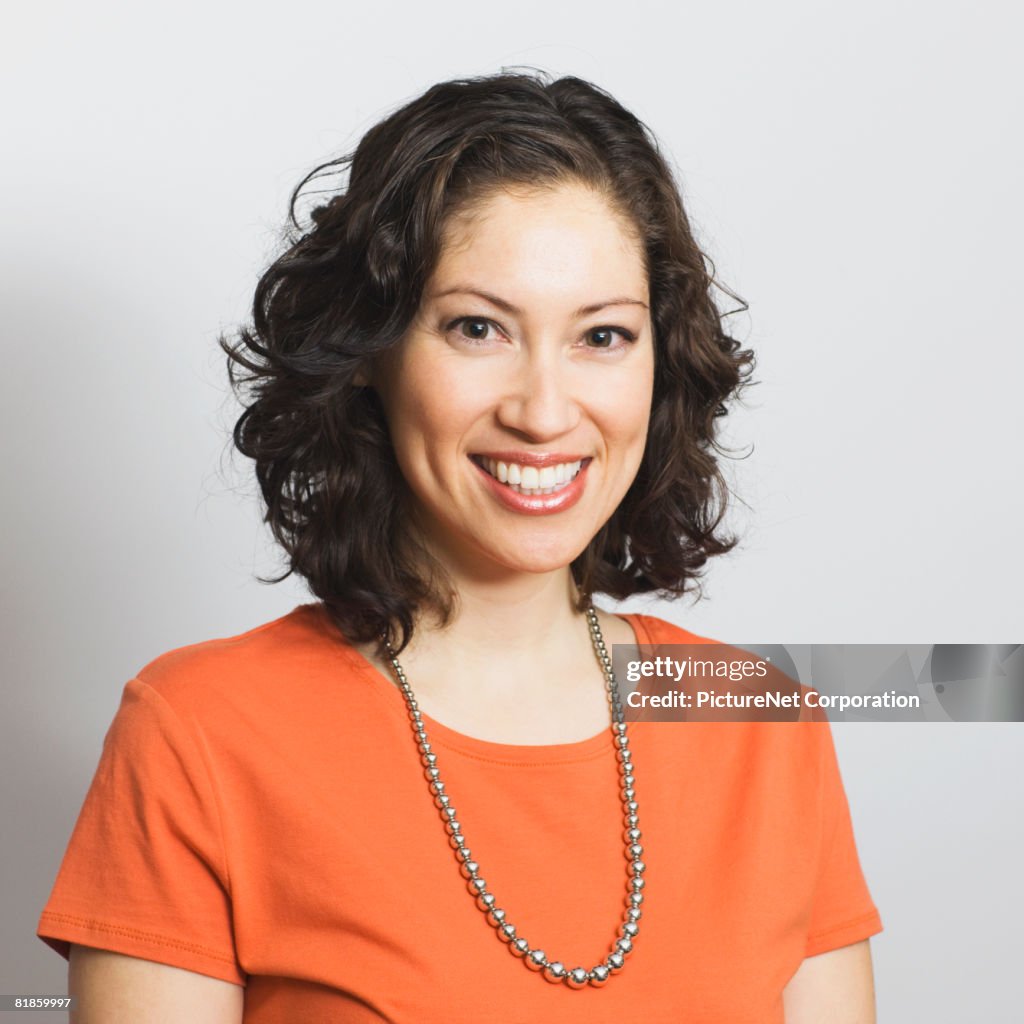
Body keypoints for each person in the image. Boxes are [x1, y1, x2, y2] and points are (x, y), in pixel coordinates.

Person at [36, 70, 882, 1022]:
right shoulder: (199, 733)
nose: (544, 411)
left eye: (602, 336)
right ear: (368, 356)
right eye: (478, 328)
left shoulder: (762, 725)